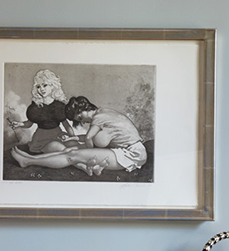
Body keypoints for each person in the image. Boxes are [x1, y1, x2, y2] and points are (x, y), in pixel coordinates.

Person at [10, 96, 148, 176]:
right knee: (71, 150)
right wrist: (73, 138)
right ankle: (29, 157)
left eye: (80, 117)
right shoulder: (104, 112)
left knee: (72, 155)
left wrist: (85, 150)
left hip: (131, 154)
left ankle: (28, 161)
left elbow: (88, 138)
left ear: (84, 109)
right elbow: (91, 137)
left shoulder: (98, 118)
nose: (83, 122)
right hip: (125, 151)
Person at [9, 69, 77, 154]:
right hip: (41, 138)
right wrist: (20, 124)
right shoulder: (35, 106)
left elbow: (67, 126)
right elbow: (29, 124)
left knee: (73, 145)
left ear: (52, 86)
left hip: (57, 135)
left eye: (45, 85)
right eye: (38, 86)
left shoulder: (59, 106)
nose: (41, 89)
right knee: (63, 150)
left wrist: (73, 137)